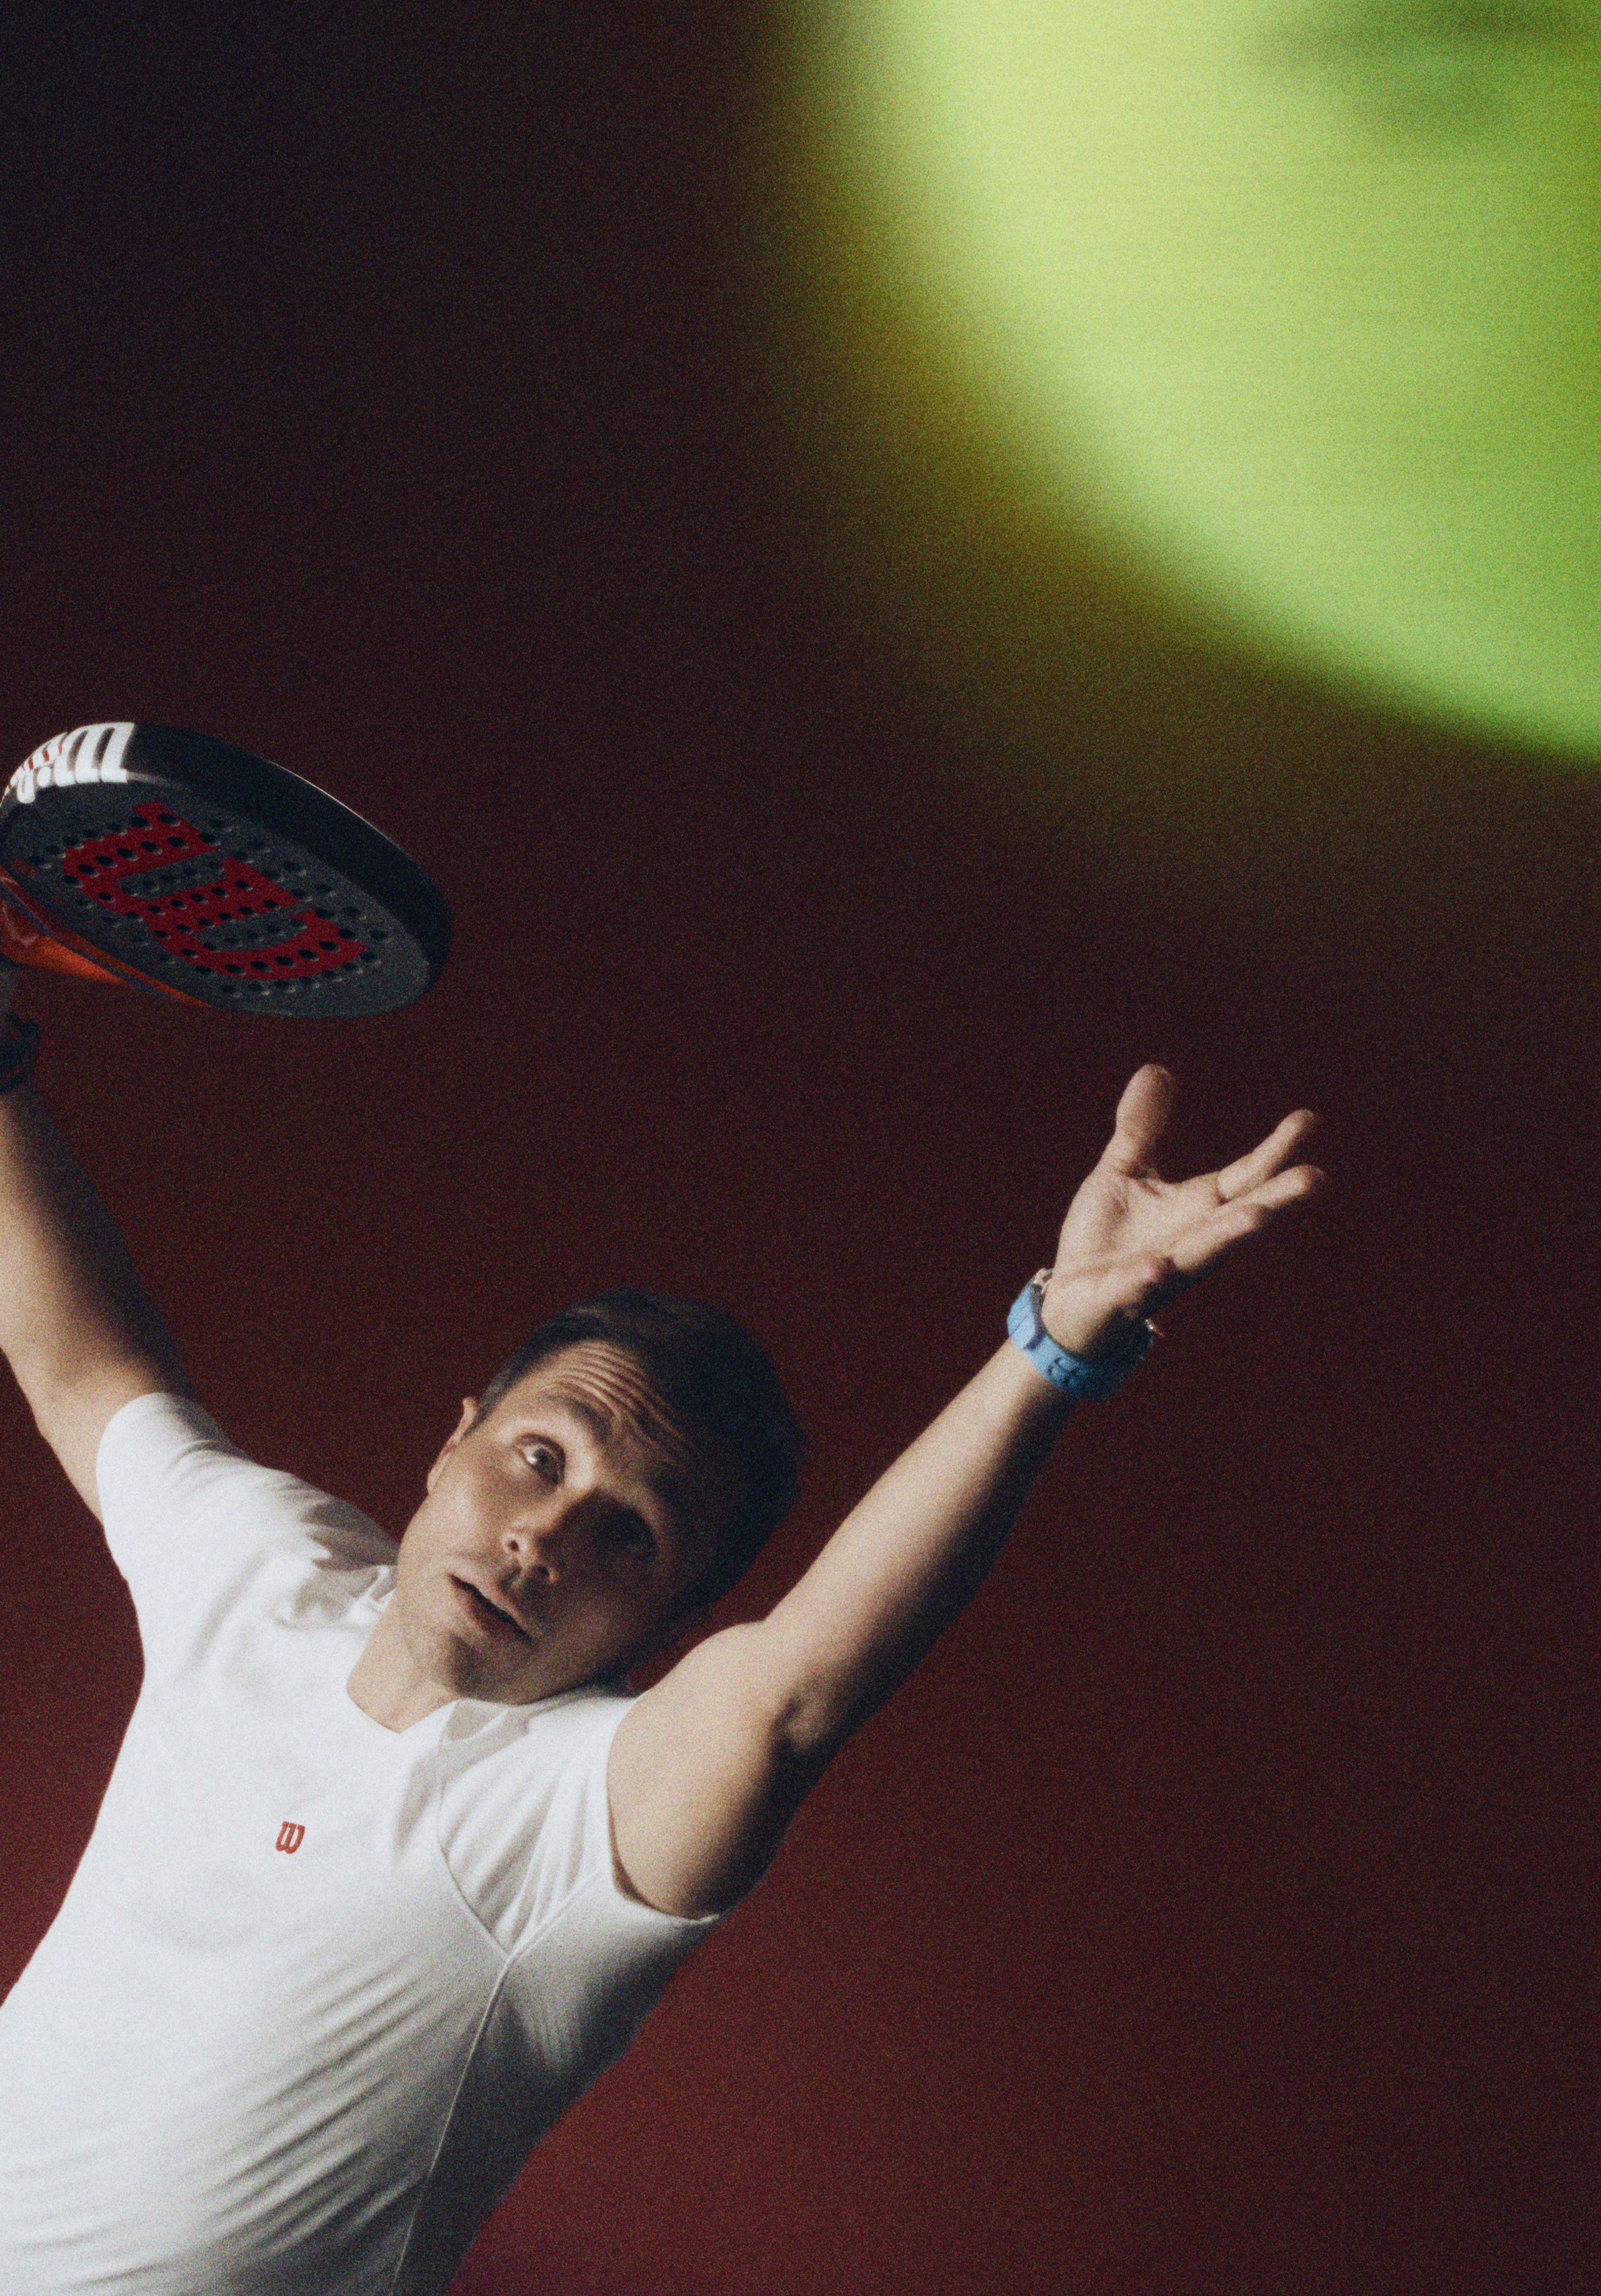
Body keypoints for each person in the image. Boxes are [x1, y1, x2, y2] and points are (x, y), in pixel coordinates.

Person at [0, 958, 1320, 2295]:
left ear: (675, 1618)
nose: (545, 1537)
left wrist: (1053, 1349)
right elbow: (85, 1364)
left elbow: (791, 1694)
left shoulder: (583, 1819)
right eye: (539, 1457)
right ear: (455, 1441)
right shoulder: (264, 1579)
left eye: (629, 1534)